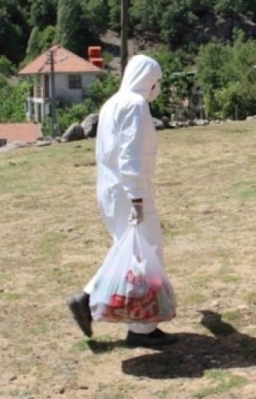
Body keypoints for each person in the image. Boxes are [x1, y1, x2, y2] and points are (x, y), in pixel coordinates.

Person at [66, 54, 178, 348]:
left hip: (110, 187)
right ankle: (137, 326)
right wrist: (137, 198)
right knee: (146, 253)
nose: (156, 88)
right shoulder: (135, 105)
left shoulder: (112, 103)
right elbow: (131, 155)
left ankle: (98, 302)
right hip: (127, 189)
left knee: (129, 251)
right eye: (155, 81)